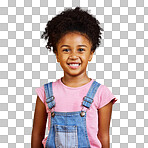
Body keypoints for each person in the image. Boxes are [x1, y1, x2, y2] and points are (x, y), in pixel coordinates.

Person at [31, 7, 117, 148]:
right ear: (57, 54)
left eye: (81, 49)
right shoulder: (45, 93)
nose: (73, 56)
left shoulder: (102, 93)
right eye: (66, 50)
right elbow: (37, 134)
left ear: (91, 53)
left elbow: (103, 136)